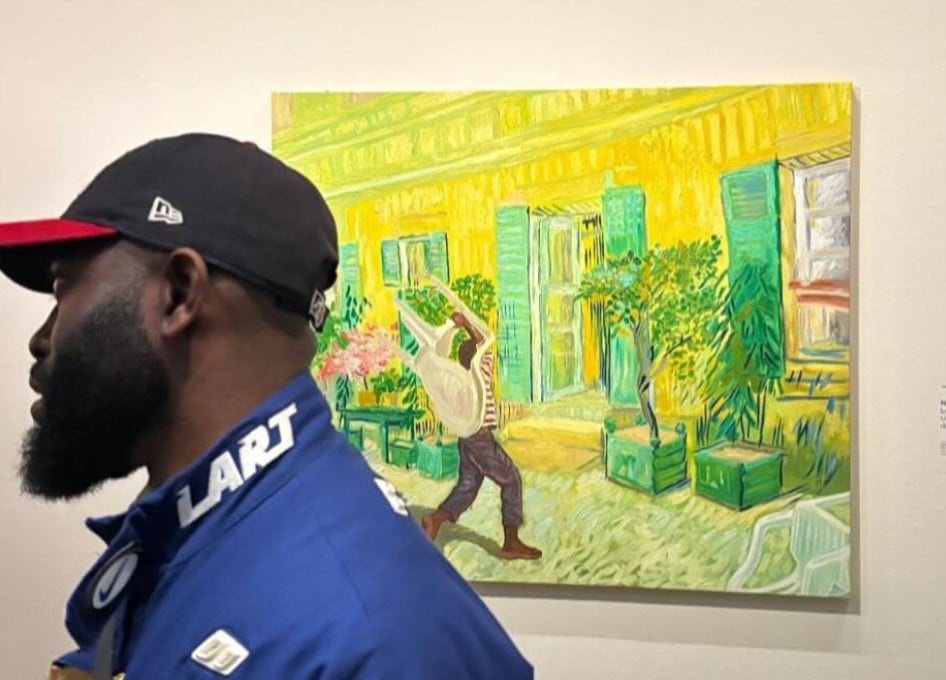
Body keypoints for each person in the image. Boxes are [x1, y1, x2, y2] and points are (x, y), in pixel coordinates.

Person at [0, 133, 533, 679]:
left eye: (64, 289)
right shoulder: (196, 532)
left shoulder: (385, 640)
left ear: (180, 295)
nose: (41, 339)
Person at [391, 281, 541, 561]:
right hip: (480, 438)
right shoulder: (478, 372)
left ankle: (435, 520)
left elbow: (478, 347)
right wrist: (466, 326)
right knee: (511, 481)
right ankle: (511, 542)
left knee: (468, 485)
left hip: (467, 439)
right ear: (476, 357)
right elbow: (484, 342)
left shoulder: (461, 381)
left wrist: (456, 326)